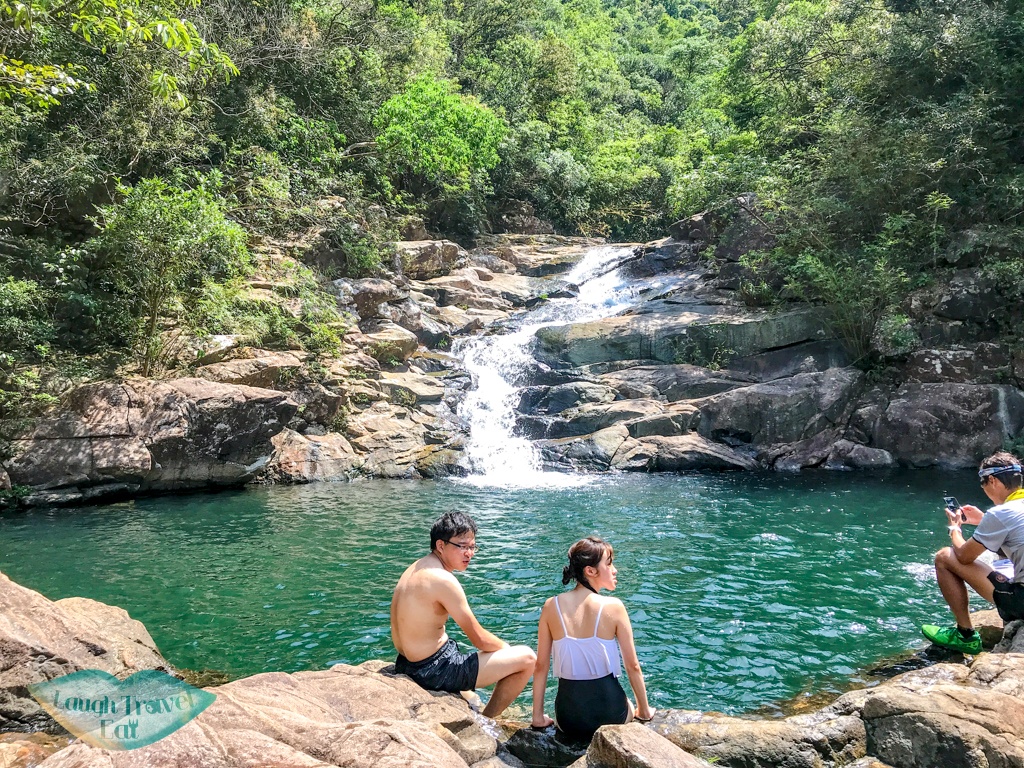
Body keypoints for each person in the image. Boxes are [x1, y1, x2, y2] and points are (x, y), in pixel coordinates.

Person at [390, 511, 536, 718]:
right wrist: (508, 652)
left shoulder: (416, 567)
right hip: (432, 671)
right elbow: (480, 639)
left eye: (472, 546)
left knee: (471, 691)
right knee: (527, 658)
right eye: (462, 546)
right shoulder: (442, 579)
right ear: (441, 545)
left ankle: (472, 702)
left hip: (406, 662)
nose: (469, 553)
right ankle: (488, 720)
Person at [531, 536, 655, 741]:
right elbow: (632, 665)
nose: (615, 570)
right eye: (609, 563)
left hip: (568, 720)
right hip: (611, 715)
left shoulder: (550, 606)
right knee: (631, 706)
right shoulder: (613, 607)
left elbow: (541, 666)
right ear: (590, 571)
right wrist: (644, 711)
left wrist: (538, 717)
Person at [923, 451, 1024, 654]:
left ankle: (965, 635)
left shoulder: (1001, 513)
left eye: (983, 483)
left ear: (993, 480)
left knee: (944, 556)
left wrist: (955, 529)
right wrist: (984, 520)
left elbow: (963, 556)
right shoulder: (1007, 513)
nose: (983, 488)